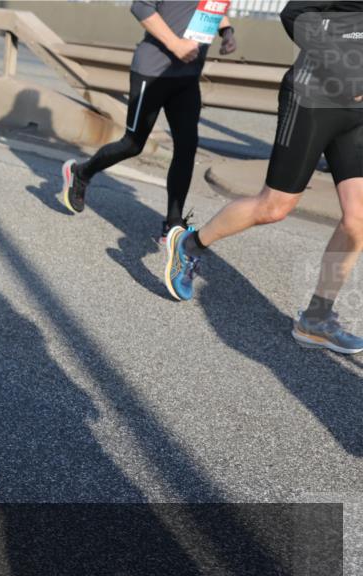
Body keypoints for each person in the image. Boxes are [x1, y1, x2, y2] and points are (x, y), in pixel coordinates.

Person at [164, 1, 363, 355]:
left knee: (359, 218)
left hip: (357, 113)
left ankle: (316, 318)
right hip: (312, 98)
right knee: (274, 207)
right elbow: (294, 14)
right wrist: (346, 74)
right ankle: (189, 246)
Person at [61, 0, 236, 242]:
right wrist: (176, 44)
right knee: (133, 144)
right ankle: (80, 172)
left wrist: (226, 31)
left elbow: (215, 7)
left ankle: (173, 224)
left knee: (187, 148)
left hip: (187, 77)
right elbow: (141, 8)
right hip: (152, 71)